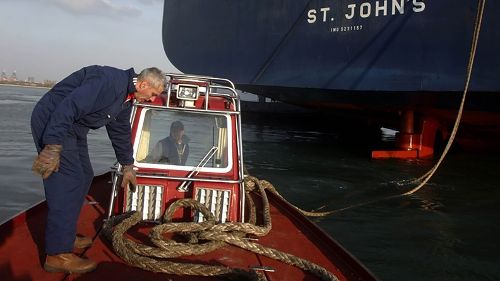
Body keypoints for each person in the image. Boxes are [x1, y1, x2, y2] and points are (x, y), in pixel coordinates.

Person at [30, 65, 165, 274]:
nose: (153, 99)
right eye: (154, 94)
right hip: (54, 122)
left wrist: (128, 166)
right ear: (144, 84)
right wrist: (52, 146)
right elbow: (68, 106)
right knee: (68, 182)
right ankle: (57, 254)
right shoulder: (109, 83)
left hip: (73, 128)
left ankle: (65, 235)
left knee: (84, 176)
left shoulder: (126, 98)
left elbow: (120, 131)